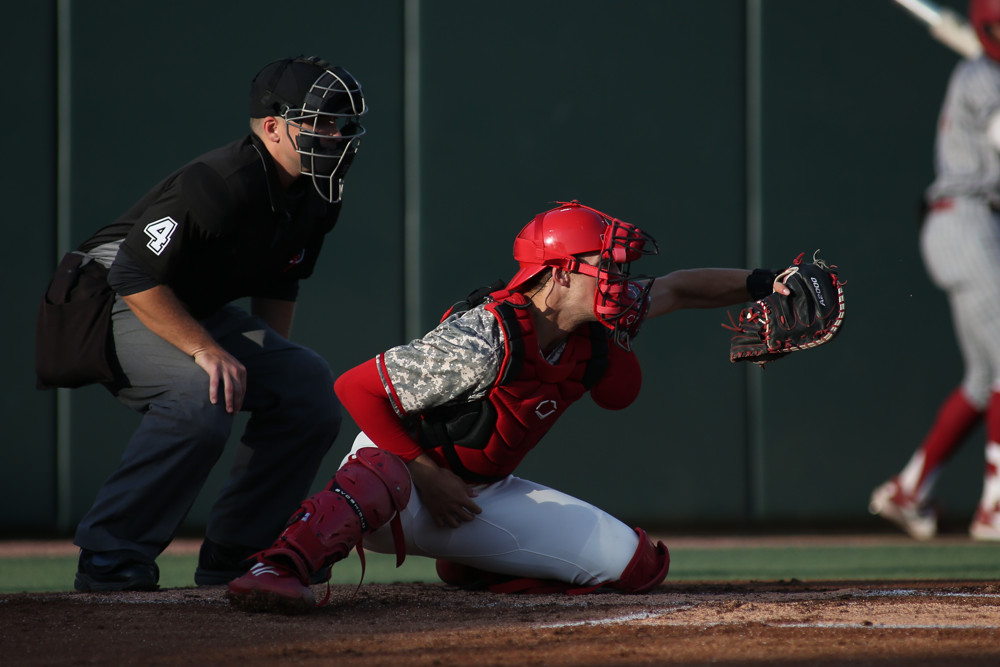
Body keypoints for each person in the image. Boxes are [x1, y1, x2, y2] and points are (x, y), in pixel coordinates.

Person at [224, 200, 792, 611]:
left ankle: (476, 563)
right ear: (557, 274)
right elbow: (355, 388)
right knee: (383, 469)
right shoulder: (487, 335)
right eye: (607, 266)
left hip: (477, 494)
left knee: (638, 568)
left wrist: (769, 282)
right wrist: (427, 475)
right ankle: (278, 565)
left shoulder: (588, 319)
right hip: (401, 480)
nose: (621, 279)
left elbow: (680, 288)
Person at [69, 55, 368, 592]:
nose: (334, 135)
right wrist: (206, 350)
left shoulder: (319, 194)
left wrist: (274, 364)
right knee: (198, 392)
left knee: (306, 385)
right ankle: (111, 558)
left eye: (338, 123)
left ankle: (242, 550)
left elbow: (280, 281)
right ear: (273, 126)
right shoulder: (219, 181)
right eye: (318, 121)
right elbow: (134, 272)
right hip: (103, 297)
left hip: (187, 304)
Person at [869, 0, 1000, 542]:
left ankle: (911, 490)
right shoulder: (982, 76)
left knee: (981, 380)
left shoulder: (982, 71)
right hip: (968, 220)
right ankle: (995, 508)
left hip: (970, 224)